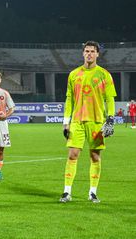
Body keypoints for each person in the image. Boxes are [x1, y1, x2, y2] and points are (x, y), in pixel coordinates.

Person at [60, 41, 116, 204]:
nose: (89, 54)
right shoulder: (74, 74)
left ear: (98, 54)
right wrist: (66, 121)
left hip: (97, 121)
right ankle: (67, 192)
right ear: (83, 53)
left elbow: (110, 98)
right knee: (72, 155)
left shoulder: (104, 74)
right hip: (77, 120)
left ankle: (92, 192)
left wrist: (110, 118)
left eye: (92, 51)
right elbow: (69, 98)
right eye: (86, 51)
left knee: (95, 156)